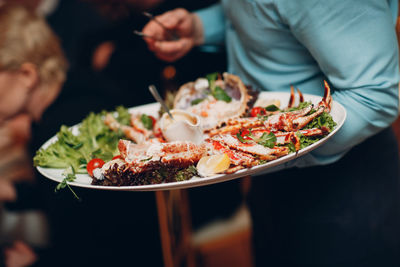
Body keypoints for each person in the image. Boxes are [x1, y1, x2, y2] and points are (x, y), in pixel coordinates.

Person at [142, 1, 400, 266]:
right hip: (268, 178)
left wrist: (257, 150)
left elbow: (375, 96)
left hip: (344, 191)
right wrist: (199, 27)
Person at [0, 4, 68, 266]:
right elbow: (58, 193)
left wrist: (36, 264)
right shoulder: (50, 119)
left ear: (27, 75)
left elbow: (96, 241)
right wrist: (11, 191)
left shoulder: (62, 131)